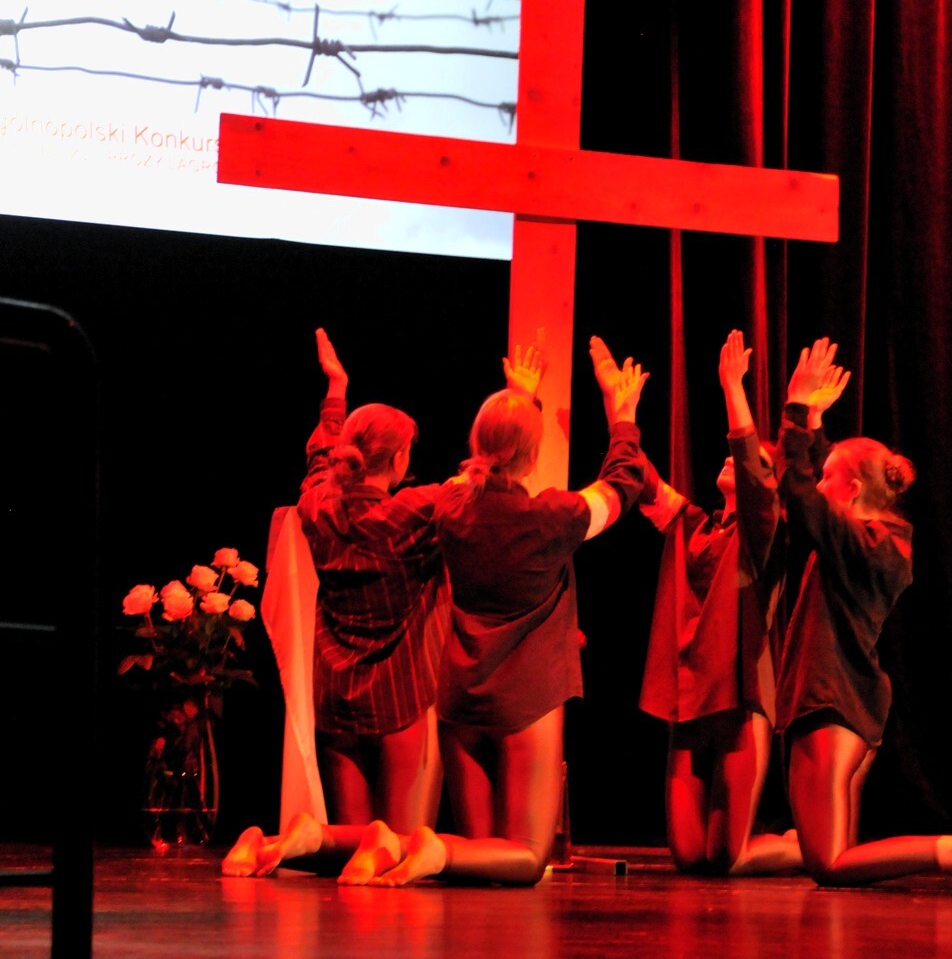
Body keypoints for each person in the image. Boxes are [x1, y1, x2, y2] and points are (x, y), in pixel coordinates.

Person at [223, 333, 649, 885]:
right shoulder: (546, 517)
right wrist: (622, 417)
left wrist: (337, 396)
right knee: (526, 856)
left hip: (454, 693)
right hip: (520, 695)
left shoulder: (439, 506)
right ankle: (418, 846)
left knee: (480, 859)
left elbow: (326, 467)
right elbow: (621, 485)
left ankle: (316, 838)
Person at [777, 338, 952, 886]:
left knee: (828, 863)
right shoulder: (879, 539)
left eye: (828, 476)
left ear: (851, 490)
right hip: (851, 704)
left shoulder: (860, 543)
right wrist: (816, 427)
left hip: (830, 703)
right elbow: (821, 495)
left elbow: (802, 497)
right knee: (839, 855)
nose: (819, 479)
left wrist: (796, 413)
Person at [606, 329, 806, 875]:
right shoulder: (694, 525)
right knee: (690, 857)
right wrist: (621, 411)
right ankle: (786, 843)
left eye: (746, 460)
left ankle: (801, 847)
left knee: (727, 857)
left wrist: (732, 388)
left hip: (739, 703)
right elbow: (642, 480)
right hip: (689, 704)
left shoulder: (765, 534)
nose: (730, 458)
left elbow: (758, 486)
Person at [294, 326, 449, 832]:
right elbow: (476, 490)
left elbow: (319, 463)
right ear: (400, 459)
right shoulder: (412, 514)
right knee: (394, 844)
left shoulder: (318, 508)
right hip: (398, 695)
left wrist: (336, 390)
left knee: (350, 840)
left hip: (336, 695)